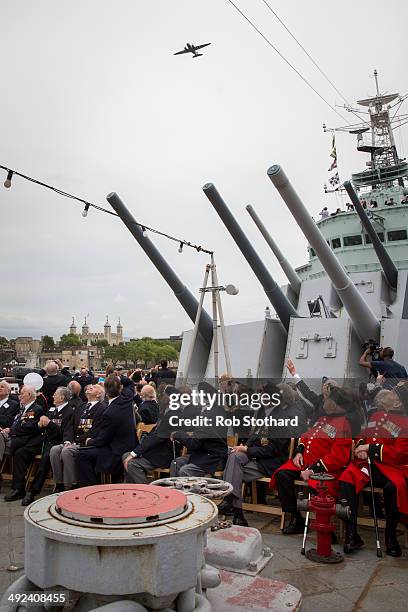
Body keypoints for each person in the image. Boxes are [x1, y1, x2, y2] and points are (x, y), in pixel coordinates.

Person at [271, 386, 353, 534]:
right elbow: (306, 435)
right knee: (282, 474)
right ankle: (296, 518)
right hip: (305, 461)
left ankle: (325, 526)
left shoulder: (343, 424)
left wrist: (313, 469)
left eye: (327, 399)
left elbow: (338, 457)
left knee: (320, 488)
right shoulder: (322, 419)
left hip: (324, 469)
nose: (324, 401)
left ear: (334, 403)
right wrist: (299, 451)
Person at [339, 389, 408, 557]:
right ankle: (352, 534)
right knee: (346, 479)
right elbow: (364, 435)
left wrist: (370, 448)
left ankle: (390, 537)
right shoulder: (376, 415)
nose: (386, 396)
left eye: (393, 395)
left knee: (393, 487)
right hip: (369, 464)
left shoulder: (405, 423)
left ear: (398, 402)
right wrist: (361, 446)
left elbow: (400, 452)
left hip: (392, 467)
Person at [218, 383, 293, 526]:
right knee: (234, 455)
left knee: (234, 469)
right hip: (256, 456)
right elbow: (254, 436)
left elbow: (273, 449)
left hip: (270, 461)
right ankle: (237, 514)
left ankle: (234, 508)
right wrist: (244, 447)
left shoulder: (281, 418)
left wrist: (247, 450)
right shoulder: (263, 412)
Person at [75, 374, 136, 486]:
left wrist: (89, 441)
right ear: (120, 388)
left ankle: (92, 488)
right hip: (130, 445)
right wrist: (118, 377)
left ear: (106, 392)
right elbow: (130, 383)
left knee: (81, 455)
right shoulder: (127, 399)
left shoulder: (109, 412)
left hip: (116, 451)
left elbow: (103, 439)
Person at [20, 387, 74, 505]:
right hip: (43, 440)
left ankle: (33, 491)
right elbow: (44, 425)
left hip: (56, 443)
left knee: (45, 460)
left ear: (62, 397)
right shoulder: (51, 409)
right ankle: (18, 487)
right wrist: (41, 423)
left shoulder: (69, 412)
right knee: (22, 451)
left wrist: (49, 424)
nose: (52, 396)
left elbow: (62, 433)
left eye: (55, 394)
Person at [50, 383, 106, 491]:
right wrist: (68, 440)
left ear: (99, 394)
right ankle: (59, 483)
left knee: (67, 451)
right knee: (55, 450)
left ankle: (71, 485)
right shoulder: (81, 406)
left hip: (85, 442)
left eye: (93, 388)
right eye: (89, 387)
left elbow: (95, 430)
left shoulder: (101, 408)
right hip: (73, 441)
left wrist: (77, 441)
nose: (89, 387)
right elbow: (70, 425)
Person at [3, 385, 44, 502]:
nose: (20, 396)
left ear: (30, 395)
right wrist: (10, 429)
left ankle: (18, 489)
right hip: (22, 441)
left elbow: (29, 427)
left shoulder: (36, 409)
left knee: (19, 454)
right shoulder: (23, 409)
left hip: (32, 443)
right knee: (17, 452)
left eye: (22, 394)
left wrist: (12, 431)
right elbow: (19, 424)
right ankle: (18, 488)